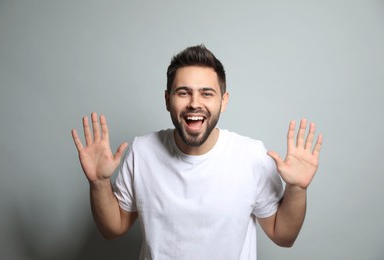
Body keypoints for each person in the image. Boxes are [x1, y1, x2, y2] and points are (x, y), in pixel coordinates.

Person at [71, 45, 322, 259]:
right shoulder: (142, 151)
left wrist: (297, 189)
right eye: (183, 92)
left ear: (223, 101)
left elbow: (284, 235)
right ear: (168, 99)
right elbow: (112, 228)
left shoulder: (251, 156)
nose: (194, 103)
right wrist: (99, 182)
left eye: (206, 93)